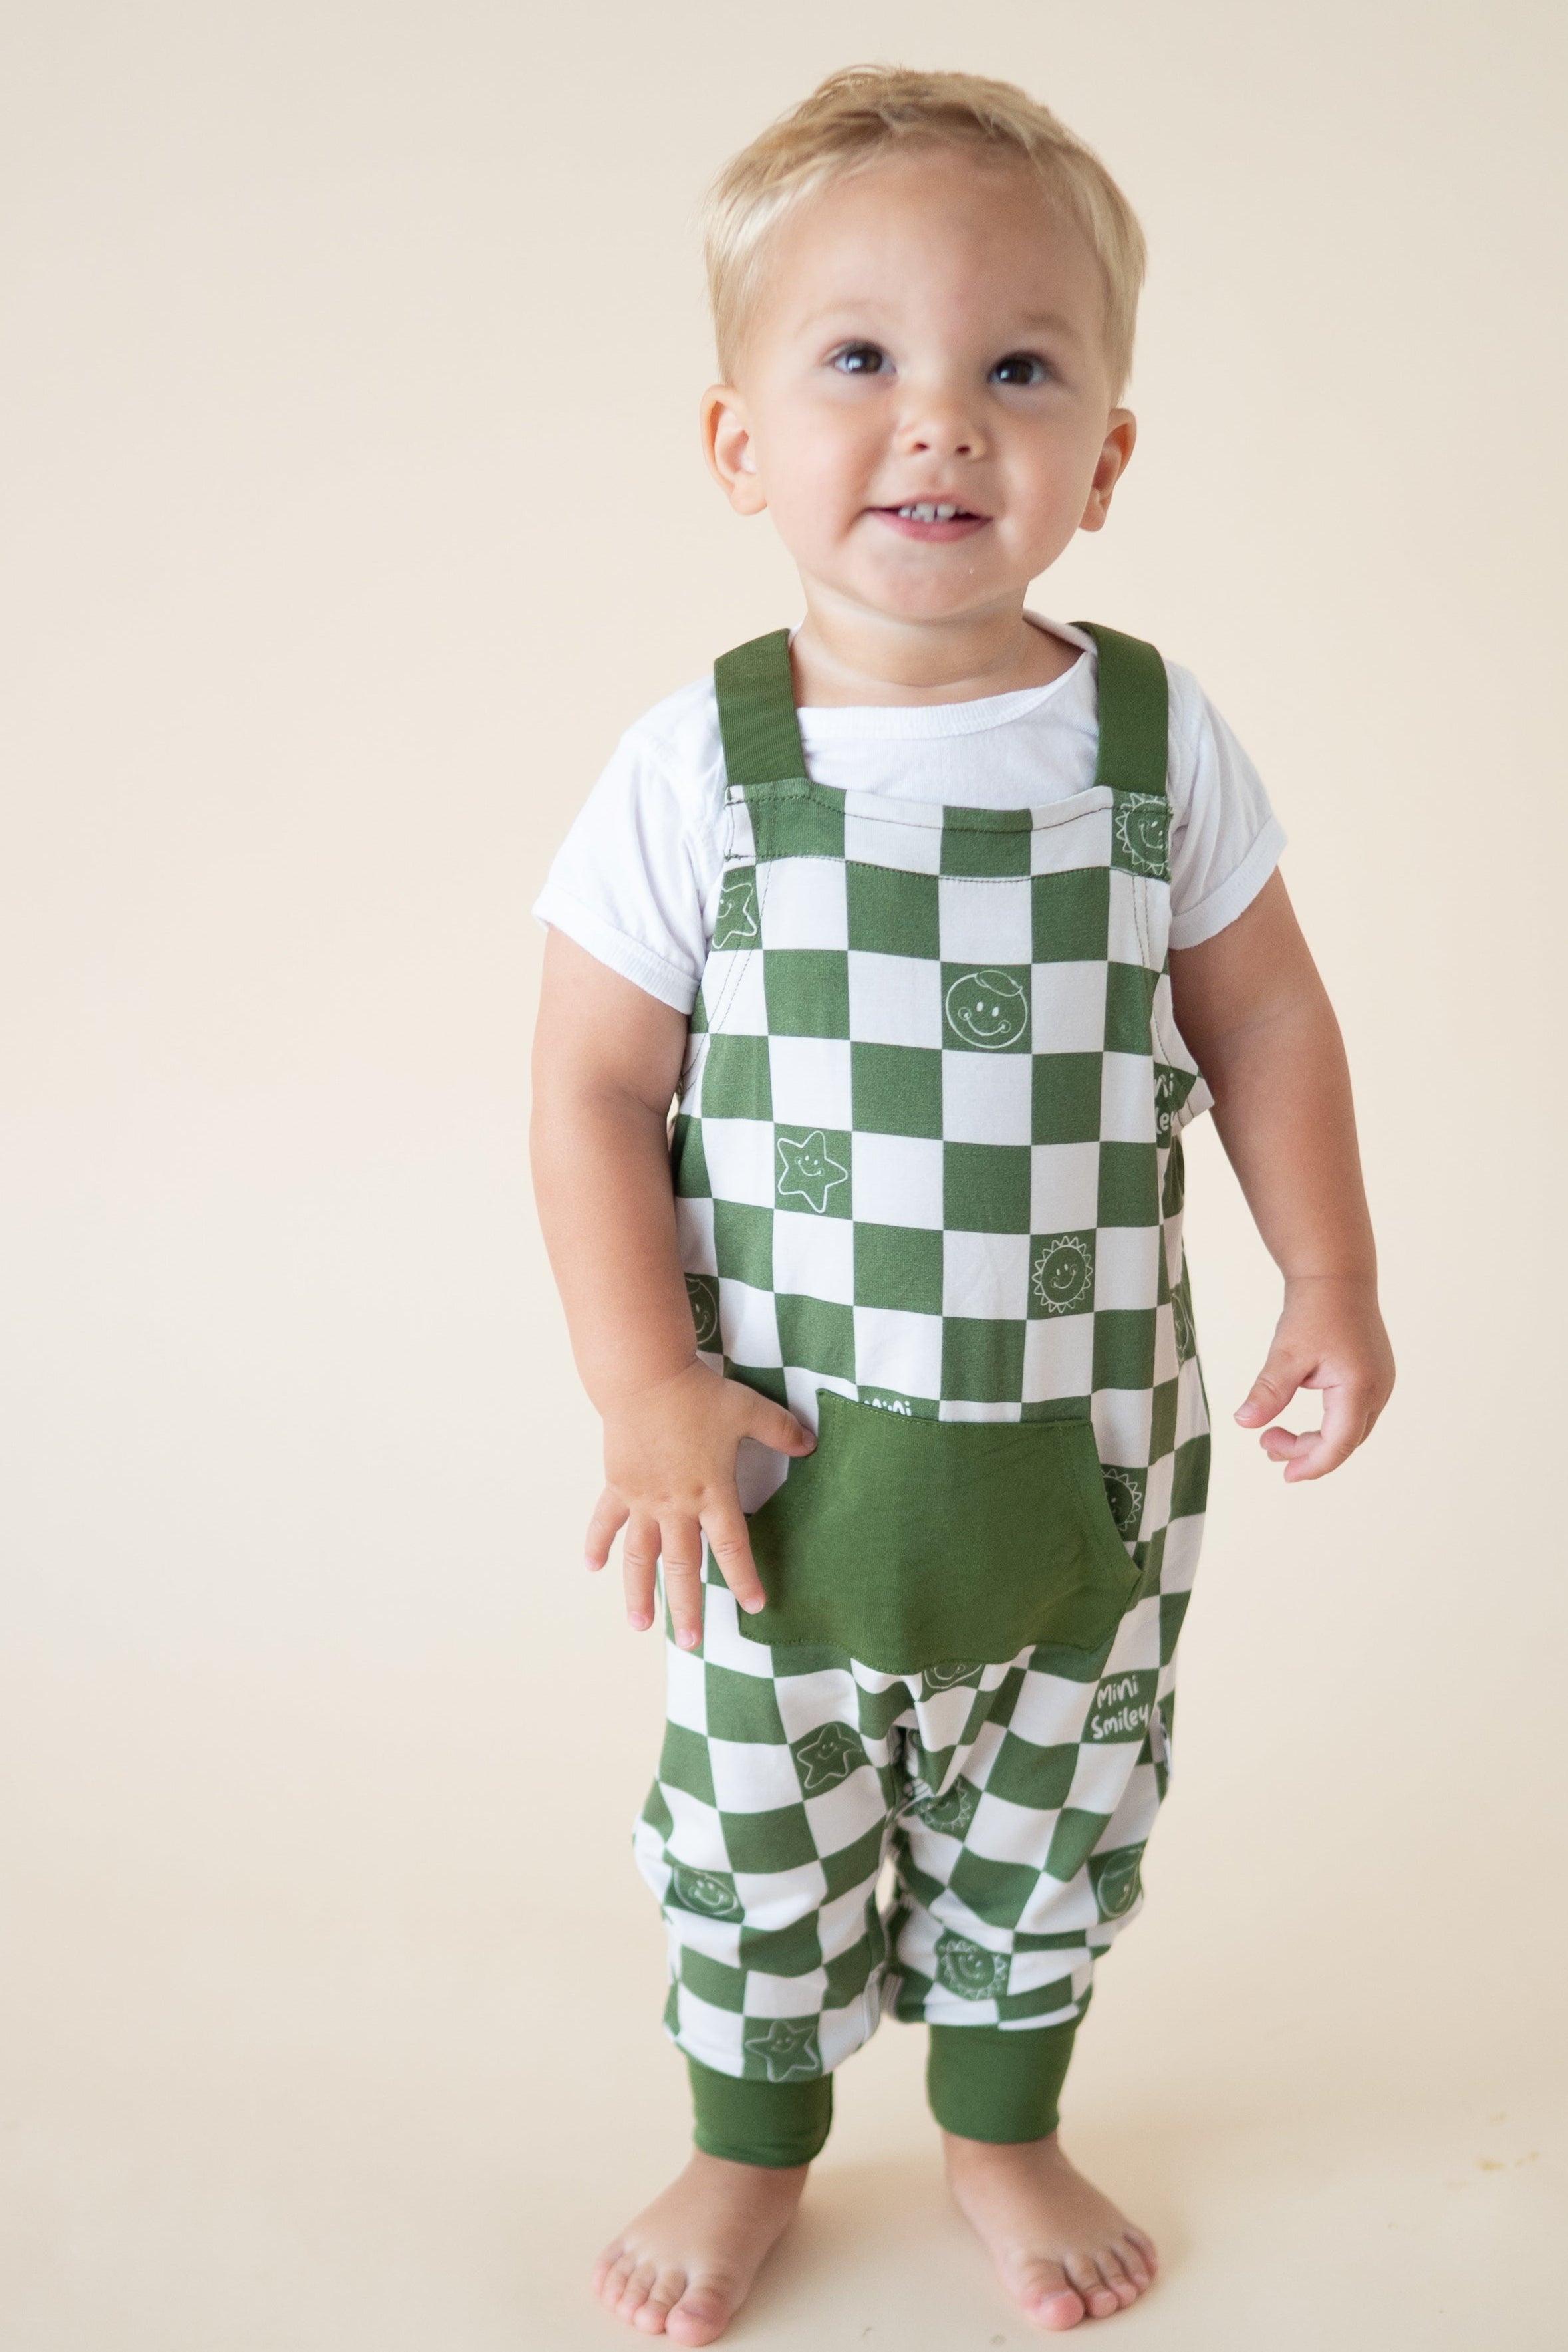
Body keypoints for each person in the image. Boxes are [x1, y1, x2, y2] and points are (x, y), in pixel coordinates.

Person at [530, 65, 1394, 2343]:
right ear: (736, 445)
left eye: (1017, 367)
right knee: (762, 1820)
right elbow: (595, 1088)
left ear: (1102, 459)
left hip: (1093, 1444)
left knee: (1064, 1800)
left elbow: (1270, 1026)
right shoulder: (701, 760)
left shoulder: (1153, 744)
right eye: (859, 362)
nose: (939, 422)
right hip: (775, 1459)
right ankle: (749, 2149)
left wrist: (1332, 1267)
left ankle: (1006, 2124)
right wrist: (643, 1381)